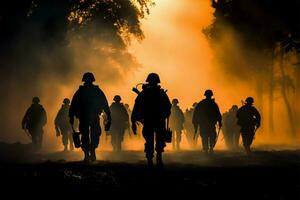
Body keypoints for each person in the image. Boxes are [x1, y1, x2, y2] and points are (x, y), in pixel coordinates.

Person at [69, 72, 111, 163]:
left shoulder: (87, 91)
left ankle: (91, 151)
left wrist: (108, 115)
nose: (88, 81)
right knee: (86, 135)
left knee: (94, 134)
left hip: (92, 117)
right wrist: (71, 116)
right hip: (84, 117)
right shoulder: (86, 91)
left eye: (89, 80)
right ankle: (87, 154)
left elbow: (104, 103)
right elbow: (73, 104)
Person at [131, 73, 171, 168]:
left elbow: (136, 107)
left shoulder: (144, 94)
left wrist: (134, 120)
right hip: (158, 120)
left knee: (150, 140)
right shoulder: (161, 93)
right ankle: (158, 158)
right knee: (159, 140)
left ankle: (150, 159)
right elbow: (168, 107)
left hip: (149, 120)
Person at [192, 90, 222, 155]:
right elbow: (218, 114)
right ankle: (208, 149)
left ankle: (208, 149)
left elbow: (195, 115)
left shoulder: (202, 104)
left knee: (208, 137)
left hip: (206, 124)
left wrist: (196, 124)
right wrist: (219, 122)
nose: (209, 96)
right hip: (207, 124)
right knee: (209, 137)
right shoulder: (212, 104)